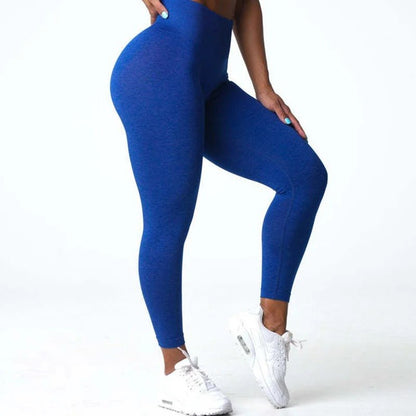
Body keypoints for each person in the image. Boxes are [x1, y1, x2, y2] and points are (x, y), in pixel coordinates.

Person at [110, 0, 328, 414]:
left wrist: (263, 87)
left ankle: (270, 327)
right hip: (158, 71)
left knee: (304, 176)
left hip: (210, 80)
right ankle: (175, 370)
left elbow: (246, 2)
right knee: (169, 221)